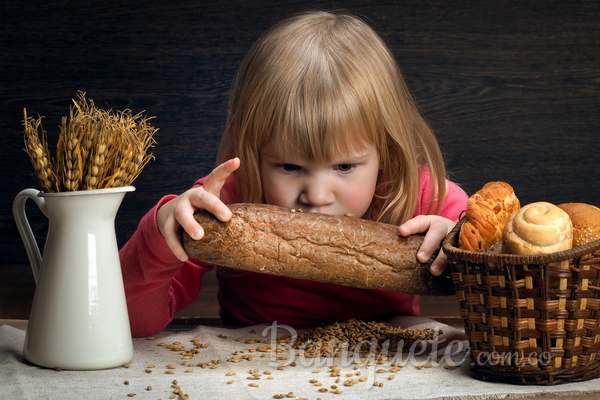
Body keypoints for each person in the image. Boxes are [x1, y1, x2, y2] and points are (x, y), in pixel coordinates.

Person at [120, 10, 468, 337]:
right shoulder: (221, 203)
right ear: (253, 152)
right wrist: (160, 236)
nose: (316, 196)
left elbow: (502, 283)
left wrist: (460, 246)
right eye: (289, 166)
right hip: (251, 365)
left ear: (385, 152)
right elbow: (134, 322)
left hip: (385, 364)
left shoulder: (421, 196)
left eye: (344, 166)